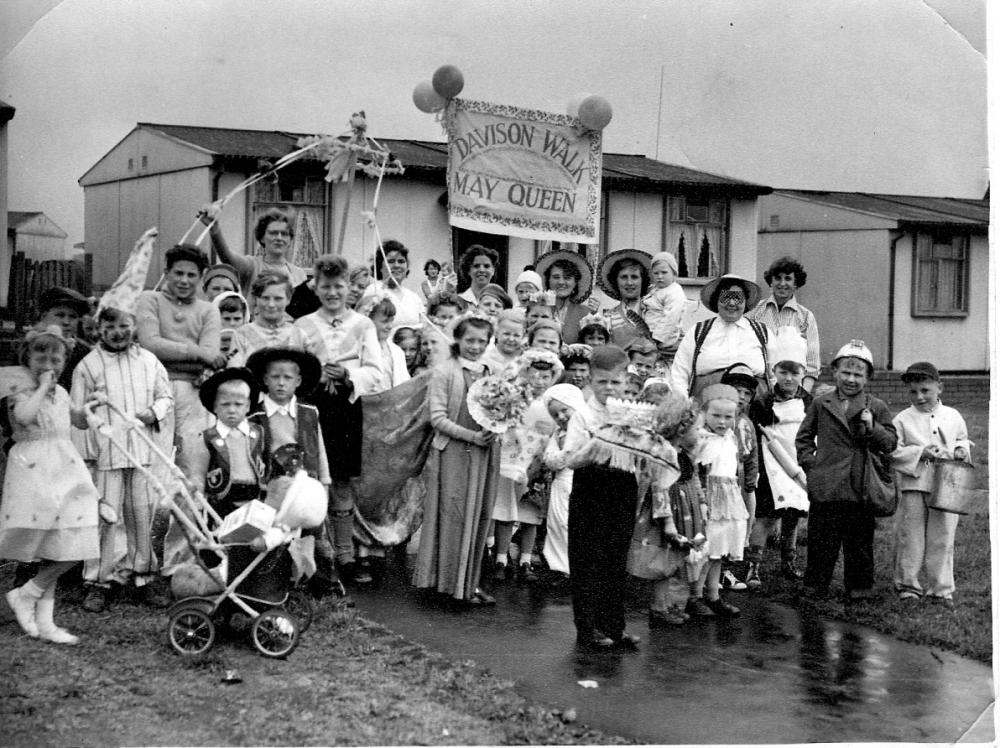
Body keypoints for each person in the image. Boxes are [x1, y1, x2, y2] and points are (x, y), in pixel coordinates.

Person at [1, 327, 103, 644]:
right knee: (51, 545)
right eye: (40, 355)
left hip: (64, 467)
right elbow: (25, 415)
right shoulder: (19, 388)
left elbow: (76, 420)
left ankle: (34, 604)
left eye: (55, 357)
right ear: (26, 358)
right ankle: (38, 612)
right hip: (35, 471)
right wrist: (41, 386)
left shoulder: (61, 391)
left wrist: (90, 409)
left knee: (72, 540)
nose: (48, 362)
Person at [72, 306, 173, 613]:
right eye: (111, 326)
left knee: (141, 514)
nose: (118, 332)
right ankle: (100, 581)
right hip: (107, 454)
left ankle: (143, 575)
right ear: (98, 330)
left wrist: (152, 412)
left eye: (124, 325)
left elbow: (165, 397)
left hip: (141, 452)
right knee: (106, 517)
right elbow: (78, 414)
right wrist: (90, 443)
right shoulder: (88, 366)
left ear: (135, 327)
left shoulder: (149, 360)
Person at [294, 255, 383, 582]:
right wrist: (310, 379)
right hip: (311, 409)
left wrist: (349, 374)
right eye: (326, 286)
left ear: (349, 288)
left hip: (345, 408)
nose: (333, 292)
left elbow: (376, 371)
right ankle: (318, 552)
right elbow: (292, 371)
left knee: (342, 480)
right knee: (312, 480)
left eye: (339, 286)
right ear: (316, 288)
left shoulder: (363, 325)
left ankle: (345, 554)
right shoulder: (302, 325)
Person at [796, 340, 896, 602]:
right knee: (821, 540)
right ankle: (815, 586)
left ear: (868, 377)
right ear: (835, 373)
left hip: (859, 484)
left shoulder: (876, 406)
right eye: (846, 373)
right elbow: (804, 438)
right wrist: (812, 465)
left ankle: (860, 588)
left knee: (859, 542)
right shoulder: (821, 403)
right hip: (827, 483)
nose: (851, 379)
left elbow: (890, 443)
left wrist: (872, 426)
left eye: (858, 375)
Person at [412, 315, 499, 606]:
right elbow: (437, 418)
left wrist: (496, 427)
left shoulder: (490, 371)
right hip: (452, 453)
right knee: (452, 516)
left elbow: (501, 409)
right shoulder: (445, 371)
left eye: (482, 341)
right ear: (458, 340)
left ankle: (469, 584)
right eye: (470, 340)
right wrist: (470, 436)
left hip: (484, 453)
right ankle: (445, 585)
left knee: (477, 517)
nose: (475, 346)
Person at [562, 344, 642, 650]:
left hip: (623, 488)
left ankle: (614, 626)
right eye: (602, 382)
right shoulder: (582, 415)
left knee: (615, 559)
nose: (609, 388)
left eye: (615, 382)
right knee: (587, 561)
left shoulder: (633, 413)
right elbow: (571, 459)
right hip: (590, 489)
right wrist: (598, 445)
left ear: (625, 381)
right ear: (590, 380)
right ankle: (587, 628)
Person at [245, 347, 342, 600]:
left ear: (298, 381)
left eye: (287, 378)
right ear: (265, 379)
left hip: (306, 486)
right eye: (275, 377)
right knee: (276, 535)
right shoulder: (255, 416)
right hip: (273, 489)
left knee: (315, 534)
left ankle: (325, 584)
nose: (280, 383)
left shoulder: (309, 412)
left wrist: (325, 481)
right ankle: (279, 585)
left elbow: (319, 448)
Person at [135, 244, 224, 475]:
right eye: (178, 273)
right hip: (153, 388)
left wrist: (197, 356)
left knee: (193, 460)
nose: (184, 280)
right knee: (154, 458)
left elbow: (212, 354)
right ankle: (154, 512)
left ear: (201, 277)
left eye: (191, 275)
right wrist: (199, 354)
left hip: (194, 393)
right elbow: (150, 344)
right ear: (166, 273)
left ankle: (191, 511)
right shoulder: (149, 299)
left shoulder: (208, 310)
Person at [890, 361, 971, 608]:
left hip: (947, 484)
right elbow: (893, 451)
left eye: (925, 390)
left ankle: (940, 589)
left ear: (940, 388)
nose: (919, 396)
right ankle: (908, 585)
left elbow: (963, 439)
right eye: (913, 392)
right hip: (914, 483)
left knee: (943, 536)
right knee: (911, 536)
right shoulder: (902, 419)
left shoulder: (953, 416)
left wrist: (960, 450)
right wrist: (919, 452)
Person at [628, 392, 706, 627]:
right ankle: (658, 607)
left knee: (675, 561)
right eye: (697, 429)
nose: (700, 433)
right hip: (665, 516)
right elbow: (659, 489)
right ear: (681, 430)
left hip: (683, 509)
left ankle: (671, 603)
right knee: (663, 561)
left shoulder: (681, 453)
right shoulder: (663, 453)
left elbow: (693, 478)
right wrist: (668, 523)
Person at [745, 328, 813, 589]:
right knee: (766, 515)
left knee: (794, 513)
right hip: (771, 465)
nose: (788, 378)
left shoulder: (808, 402)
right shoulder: (763, 402)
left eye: (794, 373)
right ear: (774, 372)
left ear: (802, 374)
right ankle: (754, 566)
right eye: (783, 371)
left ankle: (788, 561)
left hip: (797, 463)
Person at [491, 349, 562, 584]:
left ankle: (525, 559)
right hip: (512, 461)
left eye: (546, 377)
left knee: (530, 513)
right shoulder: (517, 398)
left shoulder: (553, 402)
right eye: (535, 375)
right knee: (506, 511)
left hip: (538, 463)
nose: (540, 381)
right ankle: (500, 557)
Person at [687, 384, 749, 618]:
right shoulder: (701, 439)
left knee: (718, 551)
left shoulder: (731, 438)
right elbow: (694, 470)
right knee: (705, 549)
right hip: (708, 498)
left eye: (728, 417)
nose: (722, 422)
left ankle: (713, 595)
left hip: (728, 498)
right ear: (703, 414)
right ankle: (694, 596)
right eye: (716, 416)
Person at [670, 273, 772, 400]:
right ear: (716, 300)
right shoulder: (698, 331)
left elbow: (775, 373)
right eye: (726, 297)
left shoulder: (762, 332)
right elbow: (679, 373)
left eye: (738, 298)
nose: (732, 303)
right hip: (707, 403)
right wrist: (684, 405)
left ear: (745, 302)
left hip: (753, 405)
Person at [188, 368, 265, 519]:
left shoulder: (257, 433)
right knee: (224, 539)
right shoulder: (207, 438)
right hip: (221, 503)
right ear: (215, 406)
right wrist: (199, 508)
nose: (231, 410)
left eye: (238, 404)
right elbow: (197, 475)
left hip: (254, 501)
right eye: (225, 404)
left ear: (248, 406)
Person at [747, 256, 821, 393]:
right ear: (771, 281)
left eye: (787, 278)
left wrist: (802, 396)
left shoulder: (805, 317)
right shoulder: (754, 312)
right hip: (759, 387)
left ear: (795, 283)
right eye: (778, 278)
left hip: (792, 389)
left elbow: (812, 364)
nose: (782, 283)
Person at [201, 204, 309, 297]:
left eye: (284, 234)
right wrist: (214, 228)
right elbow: (227, 256)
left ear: (290, 240)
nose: (279, 238)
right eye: (273, 233)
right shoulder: (251, 265)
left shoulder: (299, 273)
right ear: (262, 237)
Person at [541, 383, 589, 585]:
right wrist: (560, 456)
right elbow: (551, 458)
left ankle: (575, 569)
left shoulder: (585, 431)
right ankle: (560, 567)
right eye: (555, 415)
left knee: (573, 525)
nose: (561, 417)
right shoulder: (557, 435)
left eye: (564, 411)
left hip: (578, 483)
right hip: (560, 485)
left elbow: (572, 457)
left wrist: (562, 456)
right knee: (557, 524)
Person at [719, 363, 761, 592]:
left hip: (742, 481)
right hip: (722, 480)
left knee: (737, 525)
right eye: (737, 392)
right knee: (719, 525)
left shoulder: (747, 423)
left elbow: (752, 453)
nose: (742, 398)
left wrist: (751, 483)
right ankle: (714, 572)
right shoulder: (720, 418)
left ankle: (726, 569)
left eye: (747, 394)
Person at [228, 272, 310, 367]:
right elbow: (234, 371)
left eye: (278, 299)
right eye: (265, 298)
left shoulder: (299, 336)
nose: (271, 304)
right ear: (256, 299)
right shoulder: (241, 335)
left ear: (288, 299)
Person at [35, 286, 93, 391]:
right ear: (44, 316)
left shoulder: (84, 352)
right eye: (60, 315)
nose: (66, 322)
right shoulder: (31, 346)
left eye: (73, 316)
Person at [593, 248, 653, 348]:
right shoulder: (608, 318)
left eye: (634, 277)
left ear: (643, 281)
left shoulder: (655, 311)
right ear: (616, 281)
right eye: (624, 277)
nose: (629, 283)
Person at [534, 251, 595, 343]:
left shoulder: (586, 313)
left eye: (567, 278)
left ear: (575, 283)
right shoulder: (536, 310)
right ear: (548, 281)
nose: (561, 282)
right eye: (556, 277)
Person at [363, 240, 424, 330]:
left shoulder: (414, 297)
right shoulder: (373, 291)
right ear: (380, 266)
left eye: (401, 261)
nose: (396, 265)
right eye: (391, 261)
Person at [641, 252, 688, 364]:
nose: (660, 276)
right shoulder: (654, 289)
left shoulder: (674, 292)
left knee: (663, 361)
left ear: (674, 274)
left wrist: (657, 339)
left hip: (665, 337)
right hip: (649, 333)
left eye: (664, 272)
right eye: (656, 273)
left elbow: (671, 318)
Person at [360, 293, 410, 394]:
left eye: (392, 321)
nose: (390, 326)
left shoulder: (396, 351)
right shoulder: (359, 350)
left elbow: (403, 383)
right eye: (385, 321)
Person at [481, 309, 524, 377]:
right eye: (506, 334)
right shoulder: (485, 359)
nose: (511, 339)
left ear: (523, 337)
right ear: (496, 333)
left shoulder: (525, 360)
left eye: (516, 335)